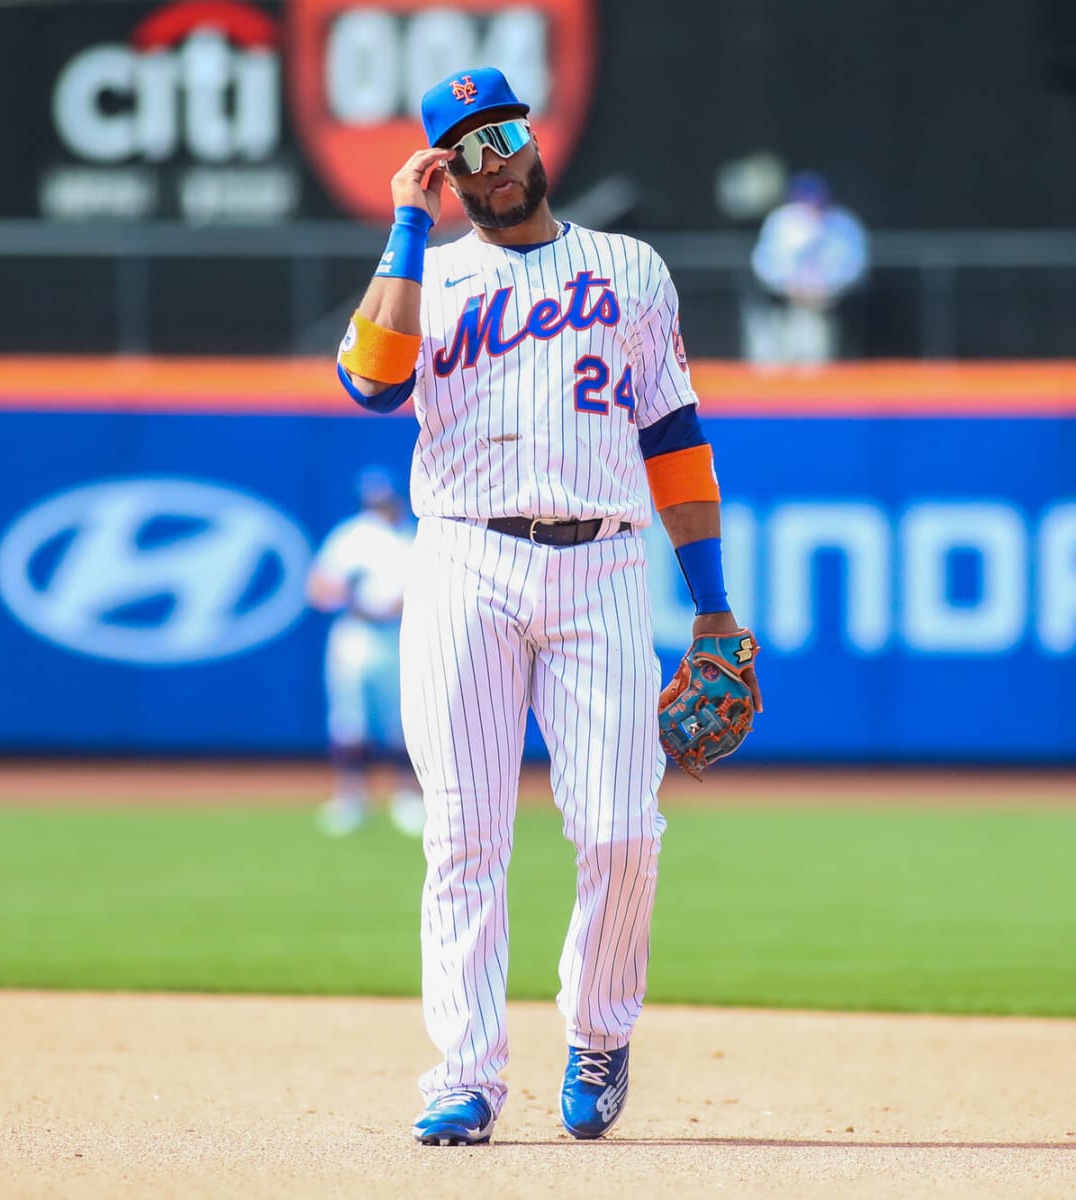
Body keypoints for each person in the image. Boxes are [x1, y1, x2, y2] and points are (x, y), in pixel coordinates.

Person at [332, 66, 762, 1146]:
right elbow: (371, 385)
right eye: (464, 152)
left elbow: (673, 440)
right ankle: (462, 1076)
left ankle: (600, 1031)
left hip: (604, 566)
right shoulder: (426, 279)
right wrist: (402, 225)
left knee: (623, 832)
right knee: (464, 835)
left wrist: (711, 607)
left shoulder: (629, 269)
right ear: (446, 173)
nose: (492, 164)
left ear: (534, 141)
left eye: (503, 137)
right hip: (464, 563)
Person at [306, 468, 423, 838]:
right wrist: (349, 595)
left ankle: (407, 798)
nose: (379, 508)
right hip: (356, 633)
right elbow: (318, 587)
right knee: (349, 719)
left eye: (384, 501)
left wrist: (399, 606)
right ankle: (352, 798)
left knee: (403, 720)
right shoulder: (350, 536)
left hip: (398, 635)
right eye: (373, 502)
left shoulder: (413, 537)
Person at [746, 170, 869, 365]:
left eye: (815, 200)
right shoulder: (782, 222)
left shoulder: (841, 223)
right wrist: (789, 284)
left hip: (828, 304)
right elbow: (764, 262)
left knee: (816, 360)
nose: (810, 205)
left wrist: (825, 286)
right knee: (776, 359)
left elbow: (853, 265)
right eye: (805, 200)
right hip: (783, 302)